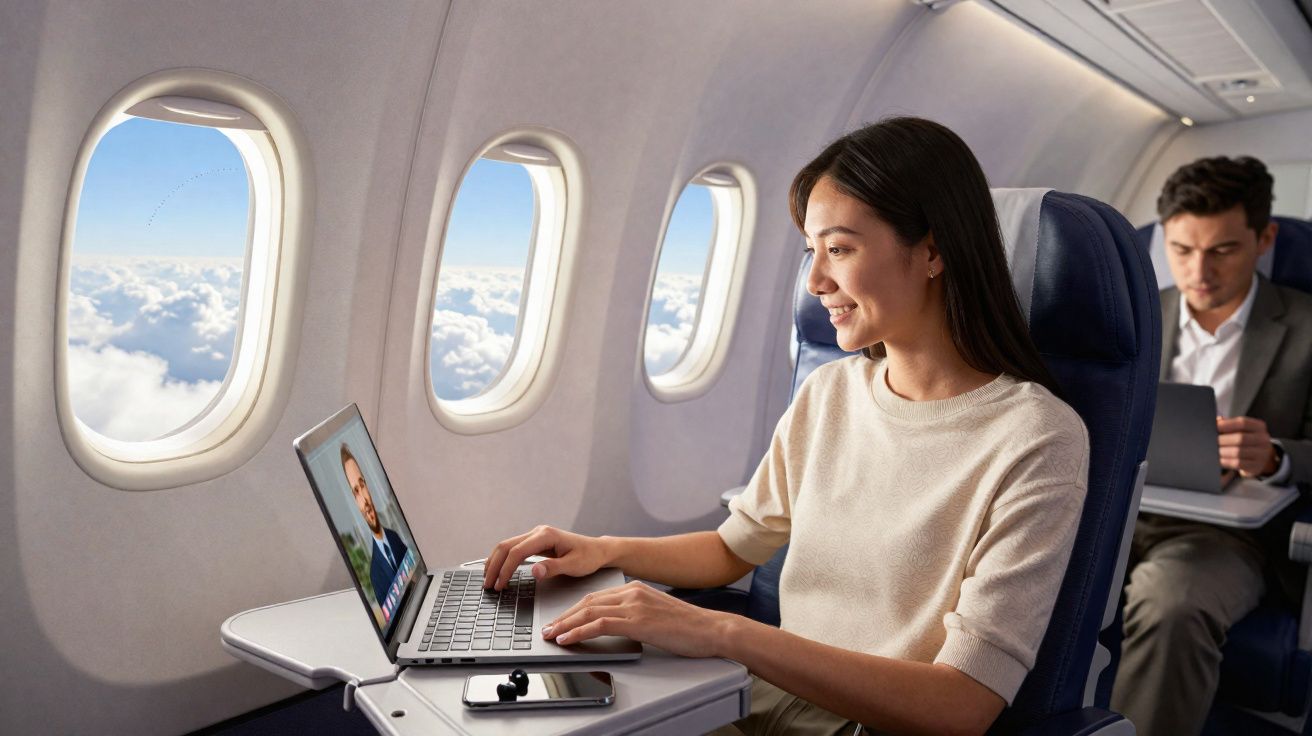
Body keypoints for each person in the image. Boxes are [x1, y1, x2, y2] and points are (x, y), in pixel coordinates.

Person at [482, 117, 1089, 735]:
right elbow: (729, 549)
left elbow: (961, 705)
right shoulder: (830, 392)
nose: (815, 282)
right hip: (758, 697)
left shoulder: (1037, 438)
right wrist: (603, 550)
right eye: (811, 251)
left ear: (932, 250)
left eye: (840, 248)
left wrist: (721, 631)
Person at [1110, 156, 1312, 736]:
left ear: (1264, 238)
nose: (1198, 271)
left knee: (1171, 604)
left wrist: (1277, 456)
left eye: (1222, 250)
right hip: (1121, 511)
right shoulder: (1137, 314)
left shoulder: (1305, 326)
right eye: (1181, 250)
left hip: (1228, 536)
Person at [341, 443, 410, 609]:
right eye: (356, 492)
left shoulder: (394, 537)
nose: (364, 500)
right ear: (354, 502)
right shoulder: (374, 575)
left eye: (362, 485)